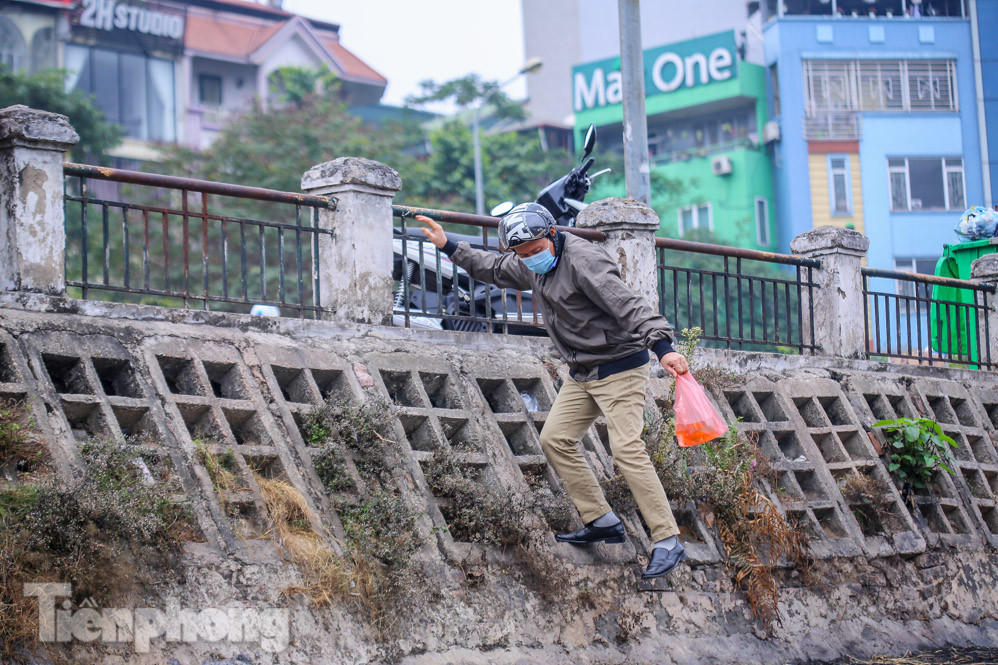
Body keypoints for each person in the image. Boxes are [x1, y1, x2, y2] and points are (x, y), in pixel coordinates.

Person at [417, 203, 690, 579]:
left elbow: (627, 304)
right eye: (522, 255)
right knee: (556, 439)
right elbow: (495, 269)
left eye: (533, 251)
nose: (529, 260)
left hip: (620, 365)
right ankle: (602, 520)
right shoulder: (533, 261)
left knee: (627, 450)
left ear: (552, 235)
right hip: (583, 371)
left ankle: (667, 540)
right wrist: (450, 246)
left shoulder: (583, 261)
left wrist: (664, 348)